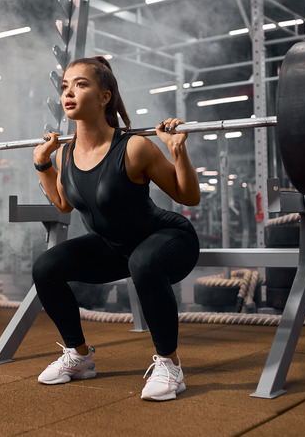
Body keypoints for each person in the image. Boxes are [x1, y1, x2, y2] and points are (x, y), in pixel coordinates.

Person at [31, 56, 201, 401]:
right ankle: (78, 356)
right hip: (115, 248)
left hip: (168, 239)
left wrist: (178, 151)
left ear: (105, 96)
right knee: (45, 267)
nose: (68, 93)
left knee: (143, 262)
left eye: (80, 84)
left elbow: (189, 196)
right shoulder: (65, 155)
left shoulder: (134, 146)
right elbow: (63, 204)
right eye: (65, 86)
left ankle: (170, 365)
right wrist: (42, 163)